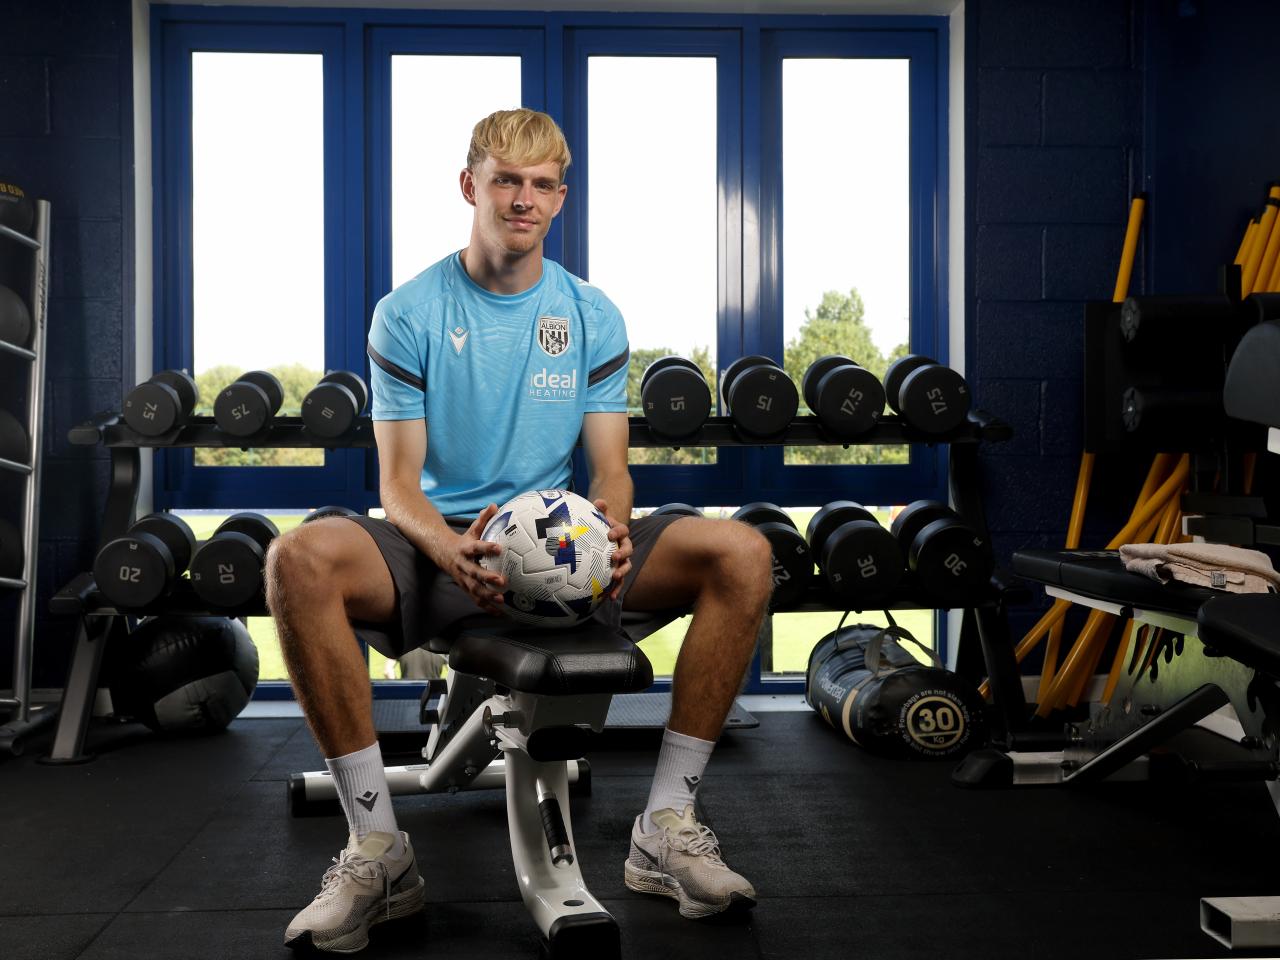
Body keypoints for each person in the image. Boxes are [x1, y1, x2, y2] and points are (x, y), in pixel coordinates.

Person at [266, 107, 774, 954]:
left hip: (560, 538)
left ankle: (667, 825)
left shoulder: (589, 313)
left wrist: (608, 533)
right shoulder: (409, 313)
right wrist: (447, 551)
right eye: (506, 180)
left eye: (541, 185)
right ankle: (375, 848)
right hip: (441, 538)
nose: (522, 199)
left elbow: (610, 468)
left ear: (559, 199)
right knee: (297, 559)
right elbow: (398, 487)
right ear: (472, 187)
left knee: (743, 553)